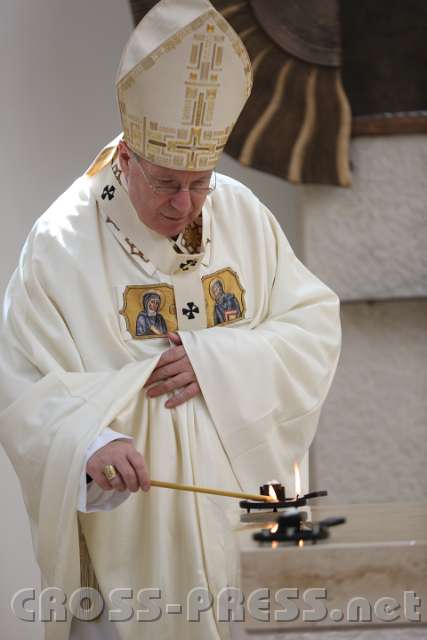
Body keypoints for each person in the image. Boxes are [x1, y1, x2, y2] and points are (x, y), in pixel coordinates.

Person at [0, 1, 341, 639]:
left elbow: (313, 325)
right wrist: (92, 443)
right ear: (126, 158)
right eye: (165, 184)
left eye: (200, 183)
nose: (184, 205)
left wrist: (221, 360)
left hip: (241, 518)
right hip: (134, 536)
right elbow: (18, 381)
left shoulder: (241, 215)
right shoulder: (62, 241)